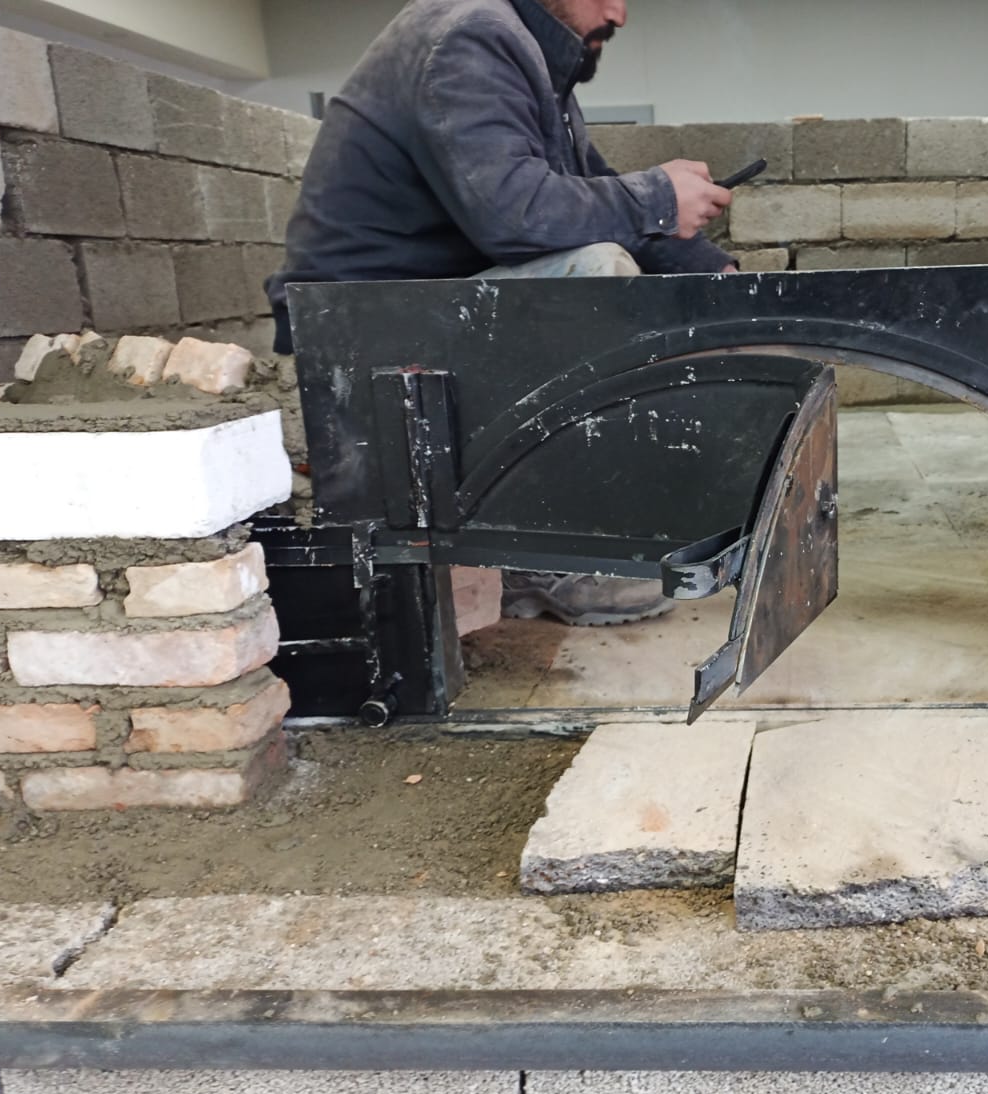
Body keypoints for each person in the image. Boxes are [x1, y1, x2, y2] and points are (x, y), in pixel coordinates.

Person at [265, 0, 738, 626]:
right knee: (592, 274)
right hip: (356, 339)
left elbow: (587, 193)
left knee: (609, 262)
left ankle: (573, 525)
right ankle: (538, 552)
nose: (619, 14)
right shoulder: (471, 37)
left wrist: (718, 278)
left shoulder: (518, 53)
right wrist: (656, 196)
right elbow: (515, 215)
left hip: (398, 315)